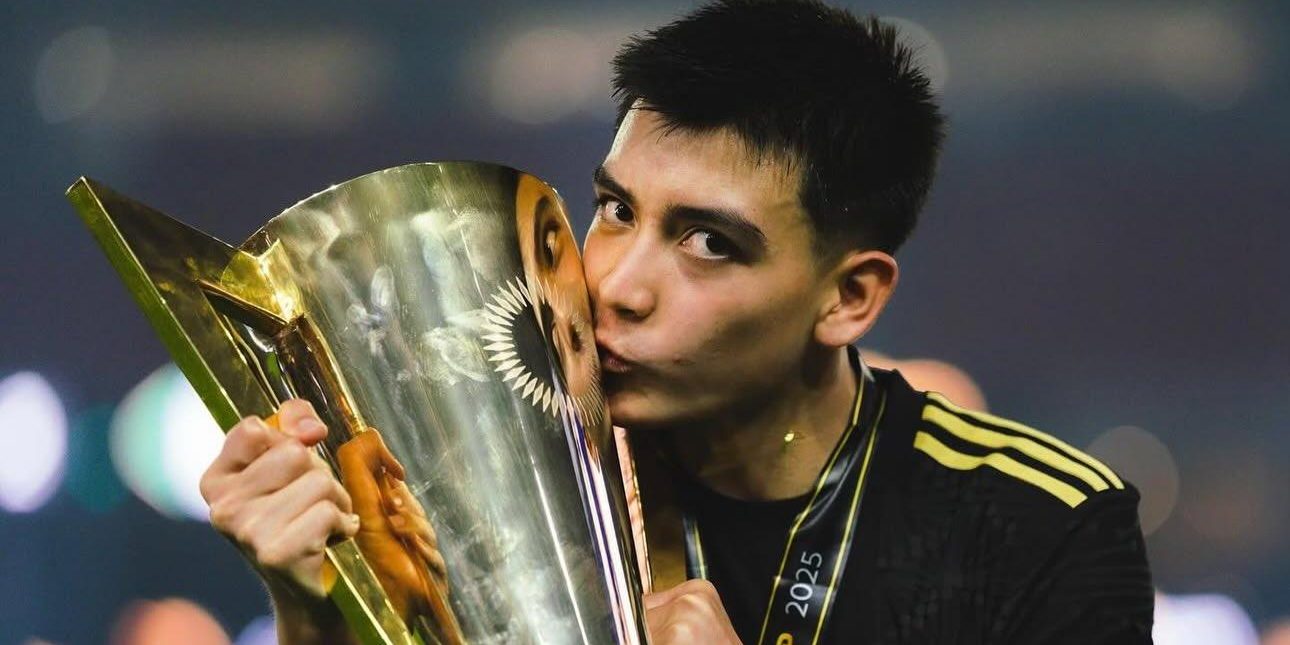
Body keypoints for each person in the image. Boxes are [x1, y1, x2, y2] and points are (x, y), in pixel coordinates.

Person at [199, 1, 1154, 643]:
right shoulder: (490, 478)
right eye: (616, 209)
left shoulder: (1040, 526)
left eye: (708, 242)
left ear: (849, 297)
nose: (614, 282)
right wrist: (315, 608)